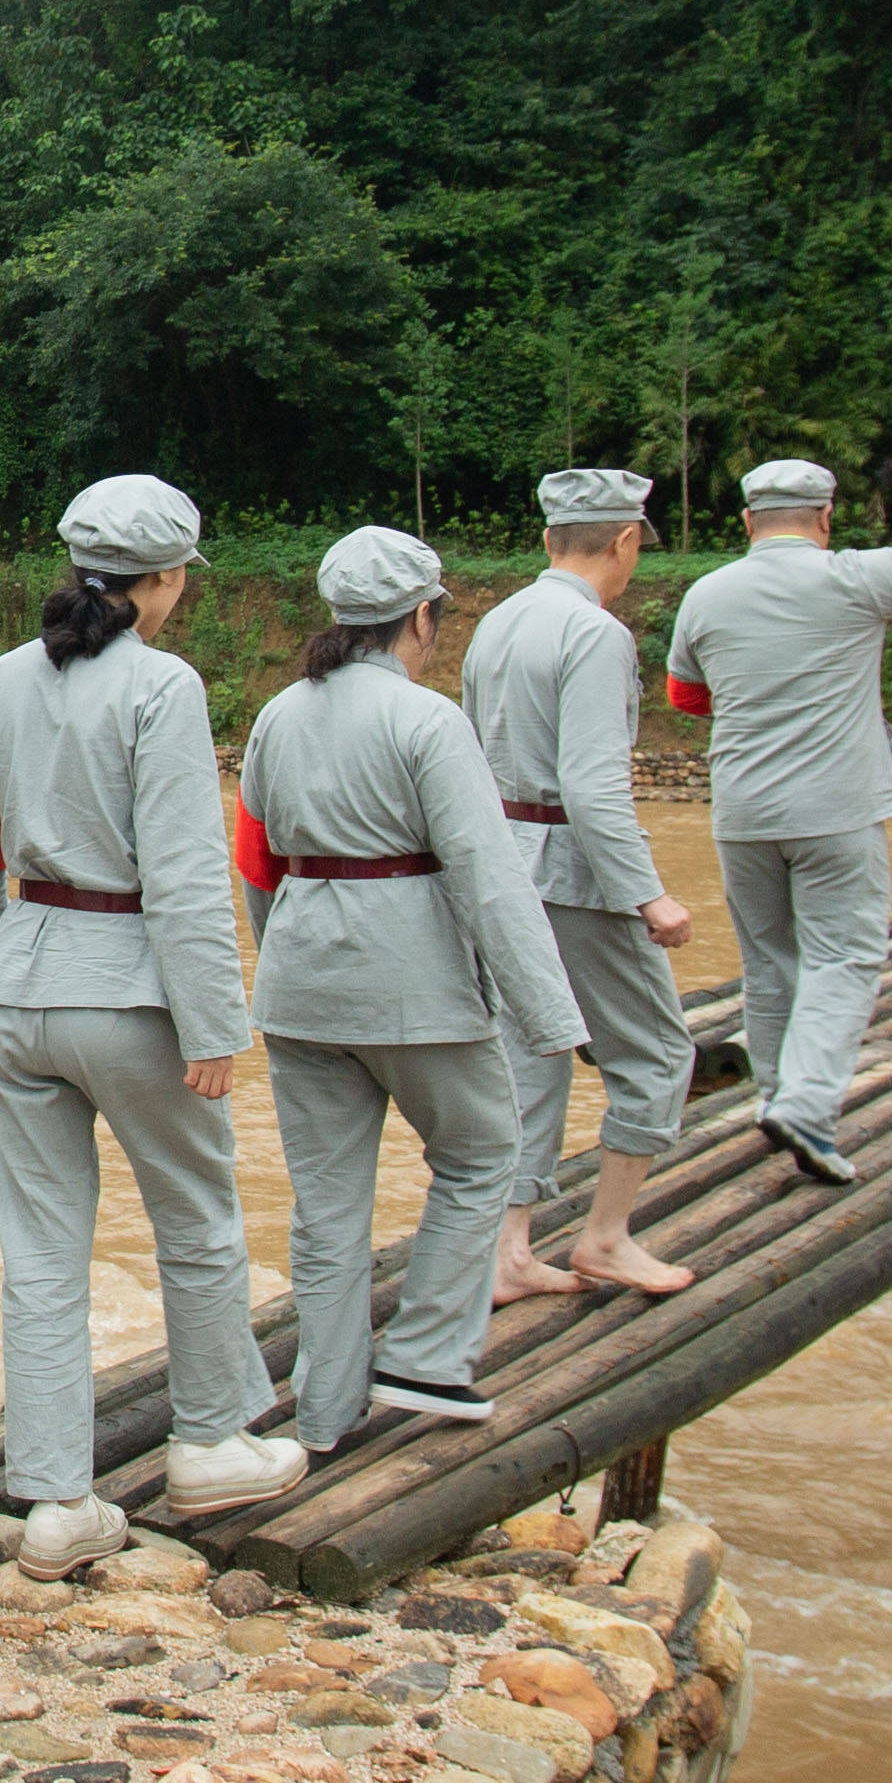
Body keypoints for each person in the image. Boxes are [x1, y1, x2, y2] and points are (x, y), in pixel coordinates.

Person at [0, 476, 290, 1567]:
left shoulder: (2, 680)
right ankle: (213, 1443)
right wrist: (215, 1024)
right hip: (132, 993)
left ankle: (53, 1504)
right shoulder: (164, 688)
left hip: (21, 992)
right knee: (196, 1220)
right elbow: (184, 871)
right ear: (169, 581)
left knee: (40, 1254)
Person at [233, 526, 588, 1448]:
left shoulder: (279, 714)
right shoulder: (429, 721)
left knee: (329, 1207)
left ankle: (322, 1408)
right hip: (414, 985)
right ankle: (428, 1356)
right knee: (480, 1155)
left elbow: (259, 862)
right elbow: (489, 876)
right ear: (422, 618)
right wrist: (552, 1017)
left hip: (303, 985)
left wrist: (283, 960)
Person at [659, 411, 892, 1185]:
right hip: (834, 810)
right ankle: (807, 1108)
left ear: (747, 522)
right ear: (825, 517)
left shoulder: (706, 595)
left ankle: (777, 1099)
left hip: (743, 812)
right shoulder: (855, 579)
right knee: (844, 957)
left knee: (771, 966)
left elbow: (686, 695)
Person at [462, 466, 700, 1300]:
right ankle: (606, 1237)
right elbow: (594, 787)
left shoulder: (496, 621)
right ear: (627, 540)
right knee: (659, 1051)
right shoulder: (595, 634)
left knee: (532, 1051)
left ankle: (508, 1251)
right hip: (570, 871)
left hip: (499, 863)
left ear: (547, 538)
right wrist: (649, 896)